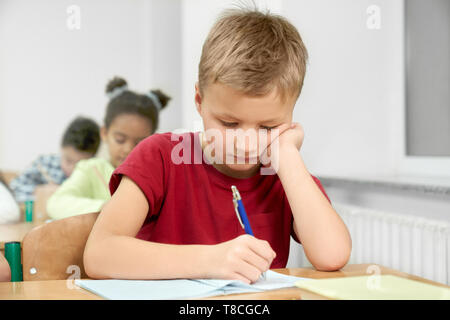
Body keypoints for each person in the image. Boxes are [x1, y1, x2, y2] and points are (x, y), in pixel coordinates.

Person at [84, 8, 352, 283]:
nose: (246, 144)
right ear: (199, 101)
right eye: (229, 123)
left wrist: (288, 156)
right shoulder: (160, 157)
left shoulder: (283, 174)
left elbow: (331, 256)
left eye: (268, 127)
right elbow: (99, 254)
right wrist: (211, 260)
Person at [46, 77, 170, 220]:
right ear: (104, 133)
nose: (128, 149)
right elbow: (56, 204)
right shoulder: (91, 169)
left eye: (139, 143)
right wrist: (105, 207)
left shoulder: (159, 175)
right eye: (120, 140)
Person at [9, 116, 101, 203]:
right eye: (68, 160)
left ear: (93, 159)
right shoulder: (45, 163)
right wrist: (39, 191)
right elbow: (14, 187)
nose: (72, 169)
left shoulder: (95, 174)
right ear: (61, 148)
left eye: (80, 165)